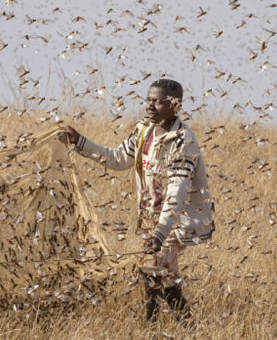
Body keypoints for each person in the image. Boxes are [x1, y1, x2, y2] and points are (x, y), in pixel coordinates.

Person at [60, 78, 213, 322]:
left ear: (176, 106)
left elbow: (177, 192)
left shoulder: (183, 141)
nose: (150, 106)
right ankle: (187, 329)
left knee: (154, 273)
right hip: (152, 218)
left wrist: (160, 234)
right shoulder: (145, 130)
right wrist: (80, 142)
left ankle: (151, 330)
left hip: (177, 219)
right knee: (164, 275)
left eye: (159, 102)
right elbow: (118, 159)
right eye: (149, 100)